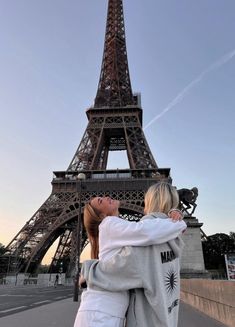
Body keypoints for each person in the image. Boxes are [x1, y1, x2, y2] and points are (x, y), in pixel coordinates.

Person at [74, 182, 186, 327]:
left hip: (109, 311)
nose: (106, 196)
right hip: (101, 311)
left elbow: (144, 234)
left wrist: (88, 271)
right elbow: (145, 231)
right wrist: (177, 223)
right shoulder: (109, 223)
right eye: (100, 200)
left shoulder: (127, 233)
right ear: (101, 215)